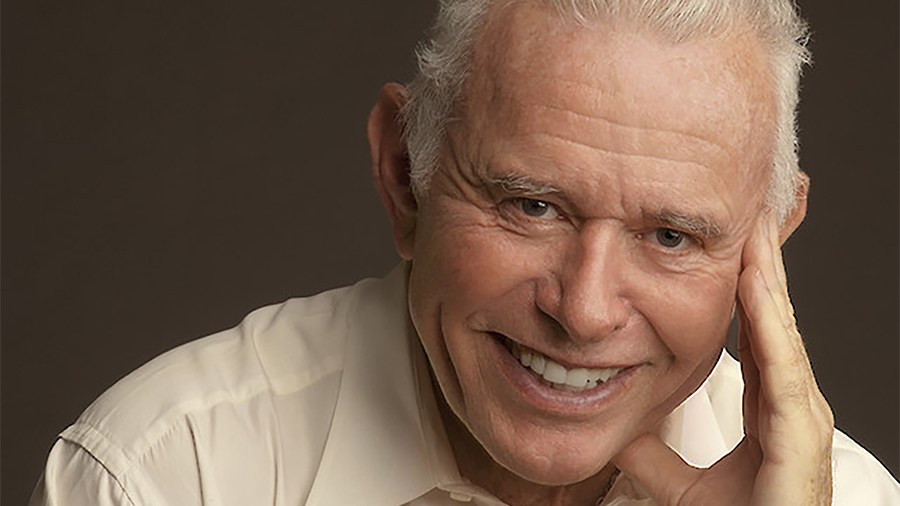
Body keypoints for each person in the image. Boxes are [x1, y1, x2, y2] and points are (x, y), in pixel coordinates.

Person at [28, 1, 899, 505]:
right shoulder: (163, 479)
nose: (585, 310)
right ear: (406, 176)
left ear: (768, 244)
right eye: (531, 205)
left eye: (671, 236)